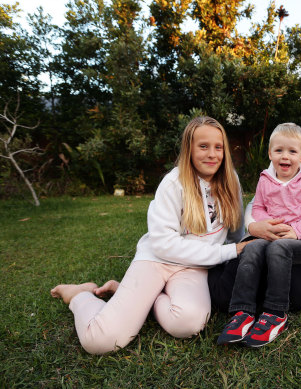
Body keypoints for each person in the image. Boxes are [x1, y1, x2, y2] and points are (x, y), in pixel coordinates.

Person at [50, 116, 253, 354]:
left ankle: (135, 294)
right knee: (101, 341)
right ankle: (79, 296)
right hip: (157, 261)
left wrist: (248, 240)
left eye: (218, 147)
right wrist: (228, 251)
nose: (212, 154)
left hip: (194, 267)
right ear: (189, 148)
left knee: (188, 324)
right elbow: (164, 245)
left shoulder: (231, 181)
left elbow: (236, 230)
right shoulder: (173, 183)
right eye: (203, 146)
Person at [208, 85, 301, 313]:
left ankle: (262, 298)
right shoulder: (290, 149)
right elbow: (261, 200)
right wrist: (254, 225)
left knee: (295, 294)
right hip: (274, 236)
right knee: (227, 289)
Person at [217, 123, 301, 347]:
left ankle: (275, 312)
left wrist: (296, 231)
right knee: (251, 247)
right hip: (269, 235)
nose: (285, 157)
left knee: (279, 248)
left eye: (292, 152)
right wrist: (264, 225)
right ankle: (242, 312)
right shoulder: (265, 180)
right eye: (279, 151)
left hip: (300, 242)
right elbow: (258, 208)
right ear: (270, 153)